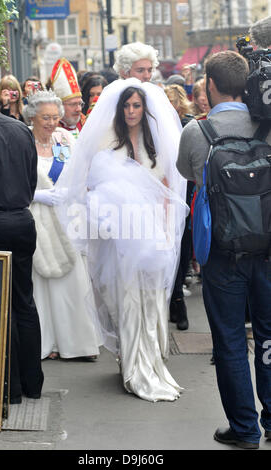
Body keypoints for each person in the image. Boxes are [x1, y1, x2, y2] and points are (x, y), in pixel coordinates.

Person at [55, 77, 188, 402]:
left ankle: (149, 361)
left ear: (144, 109)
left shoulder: (155, 144)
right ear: (120, 109)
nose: (131, 111)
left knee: (151, 303)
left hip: (151, 238)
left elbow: (169, 192)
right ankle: (132, 366)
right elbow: (90, 186)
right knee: (126, 303)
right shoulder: (108, 144)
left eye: (136, 105)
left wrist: (168, 234)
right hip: (120, 240)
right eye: (127, 105)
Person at [177, 50, 271, 449]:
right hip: (268, 250)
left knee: (230, 340)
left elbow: (187, 172)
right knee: (268, 336)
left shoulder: (197, 132)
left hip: (220, 253)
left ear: (210, 86)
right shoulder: (265, 125)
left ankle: (245, 429)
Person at [0, 74, 44, 404]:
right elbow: (30, 182)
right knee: (23, 301)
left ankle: (8, 387)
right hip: (21, 220)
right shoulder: (20, 130)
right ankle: (32, 383)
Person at [23, 90, 101, 361]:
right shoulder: (23, 141)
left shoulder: (64, 139)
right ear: (31, 117)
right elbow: (12, 180)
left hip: (66, 218)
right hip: (37, 218)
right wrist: (35, 195)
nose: (51, 123)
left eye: (55, 117)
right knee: (41, 284)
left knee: (73, 281)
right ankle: (47, 343)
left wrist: (73, 190)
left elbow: (80, 172)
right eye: (45, 117)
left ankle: (77, 343)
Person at [165, 84, 195, 329]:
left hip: (184, 195)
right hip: (163, 199)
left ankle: (177, 299)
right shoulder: (155, 131)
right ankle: (173, 298)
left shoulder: (188, 126)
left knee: (183, 248)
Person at [50, 58, 86, 139]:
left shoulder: (87, 124)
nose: (79, 109)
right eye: (73, 104)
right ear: (59, 106)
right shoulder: (50, 129)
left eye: (80, 103)